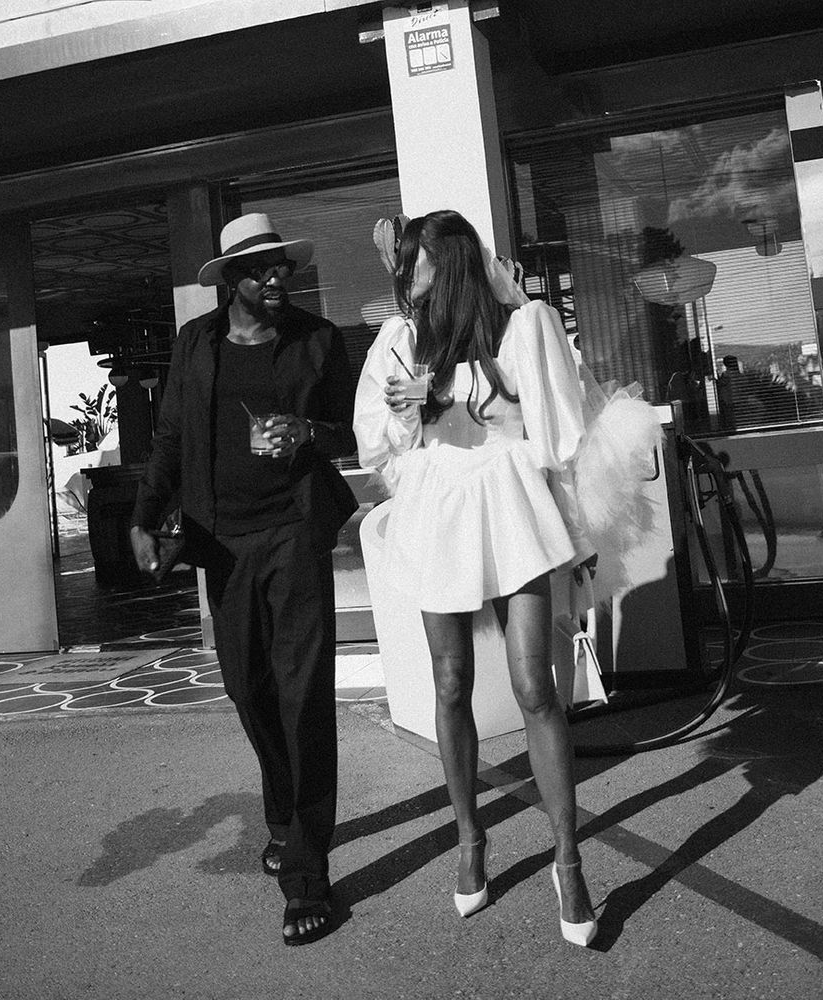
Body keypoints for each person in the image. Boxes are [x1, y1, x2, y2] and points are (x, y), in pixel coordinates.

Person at [354, 210, 599, 946]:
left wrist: (521, 303)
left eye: (421, 262)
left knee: (534, 685)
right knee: (451, 681)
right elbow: (376, 440)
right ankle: (470, 841)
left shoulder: (520, 330)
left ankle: (567, 856)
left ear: (452, 263)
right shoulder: (401, 340)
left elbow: (560, 429)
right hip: (443, 507)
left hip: (511, 499)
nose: (410, 276)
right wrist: (409, 422)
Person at [130, 212, 358, 947]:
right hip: (220, 543)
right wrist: (144, 514)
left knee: (301, 694)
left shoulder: (318, 340)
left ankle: (307, 873)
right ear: (230, 278)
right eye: (261, 270)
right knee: (248, 688)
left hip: (292, 533)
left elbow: (352, 430)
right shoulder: (195, 344)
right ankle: (286, 818)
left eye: (281, 267)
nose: (276, 279)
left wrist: (307, 434)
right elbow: (169, 435)